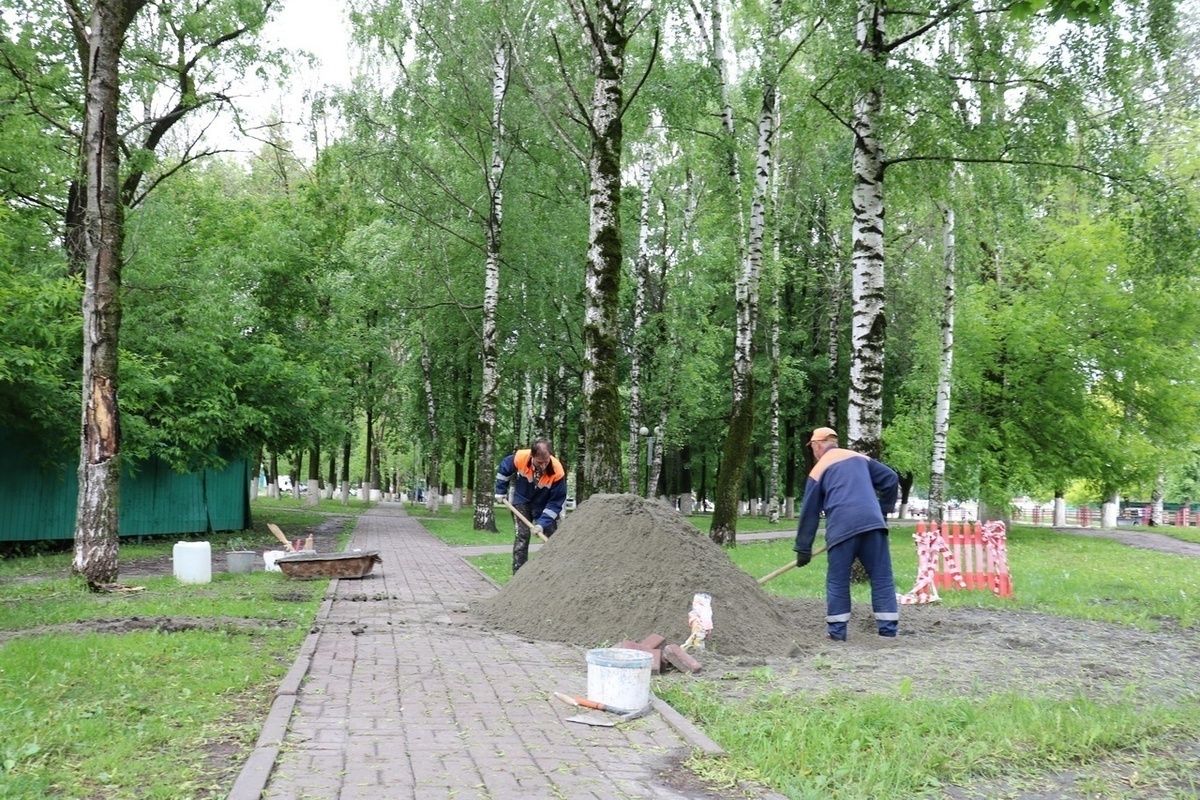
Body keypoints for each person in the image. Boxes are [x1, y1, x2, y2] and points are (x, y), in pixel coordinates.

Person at [793, 427, 900, 640]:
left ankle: (837, 633)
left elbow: (810, 512)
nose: (813, 451)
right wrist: (883, 512)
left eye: (812, 446)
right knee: (882, 577)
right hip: (873, 525)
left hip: (842, 529)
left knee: (838, 580)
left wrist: (803, 548)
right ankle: (888, 631)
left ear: (818, 444)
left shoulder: (818, 469)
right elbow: (891, 478)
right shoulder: (859, 458)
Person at [494, 438, 568, 573]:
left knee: (552, 537)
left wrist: (542, 523)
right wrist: (500, 491)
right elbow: (504, 468)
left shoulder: (557, 471)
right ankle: (518, 574)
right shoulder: (521, 457)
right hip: (522, 499)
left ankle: (552, 573)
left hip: (544, 503)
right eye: (540, 462)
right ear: (532, 456)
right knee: (522, 535)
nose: (543, 466)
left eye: (546, 462)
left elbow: (555, 502)